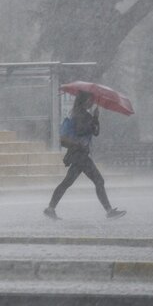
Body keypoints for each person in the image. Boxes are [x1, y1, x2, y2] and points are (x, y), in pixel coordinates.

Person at [44, 90, 126, 220]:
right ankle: (109, 211)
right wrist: (92, 120)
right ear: (84, 100)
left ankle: (50, 208)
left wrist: (96, 119)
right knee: (98, 180)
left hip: (79, 155)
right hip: (80, 155)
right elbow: (81, 131)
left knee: (67, 182)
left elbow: (95, 132)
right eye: (90, 99)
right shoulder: (79, 115)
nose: (92, 102)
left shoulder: (83, 114)